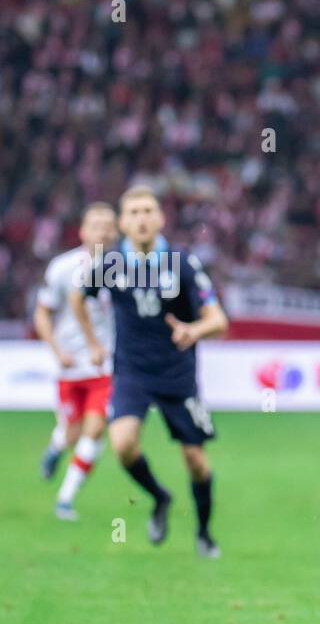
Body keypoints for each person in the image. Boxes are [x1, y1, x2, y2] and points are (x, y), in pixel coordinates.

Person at [72, 186, 229, 556]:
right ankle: (160, 498)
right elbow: (79, 298)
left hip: (177, 374)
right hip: (132, 372)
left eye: (148, 211)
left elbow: (218, 320)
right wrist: (93, 344)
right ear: (122, 223)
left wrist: (195, 330)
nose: (142, 218)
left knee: (196, 461)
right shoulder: (109, 263)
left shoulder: (183, 263)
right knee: (123, 445)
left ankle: (204, 534)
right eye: (134, 212)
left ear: (160, 218)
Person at [35, 203, 117, 520]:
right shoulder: (62, 268)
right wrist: (56, 350)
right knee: (72, 432)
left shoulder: (126, 269)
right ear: (82, 231)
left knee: (95, 430)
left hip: (105, 367)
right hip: (70, 366)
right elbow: (42, 312)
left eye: (109, 225)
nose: (103, 230)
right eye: (96, 224)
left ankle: (65, 499)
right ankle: (56, 447)